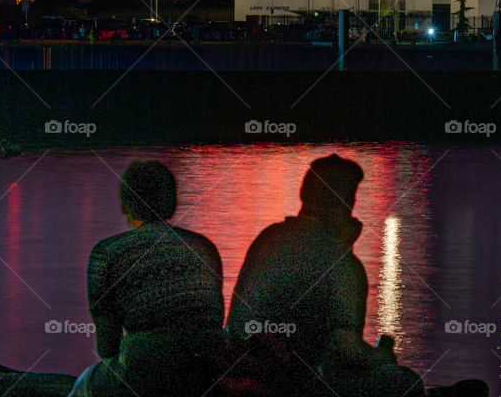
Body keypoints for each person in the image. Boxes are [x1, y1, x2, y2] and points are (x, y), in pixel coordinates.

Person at [226, 154, 424, 397]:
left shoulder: (268, 238)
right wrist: (382, 356)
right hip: (298, 383)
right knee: (405, 381)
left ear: (304, 193)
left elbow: (240, 323)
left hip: (242, 365)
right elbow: (346, 350)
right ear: (348, 202)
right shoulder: (343, 262)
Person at [69, 161, 225, 397]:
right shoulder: (204, 248)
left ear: (126, 205)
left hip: (142, 370)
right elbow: (211, 320)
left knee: (84, 383)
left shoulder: (108, 254)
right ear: (172, 203)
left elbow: (108, 348)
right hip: (205, 372)